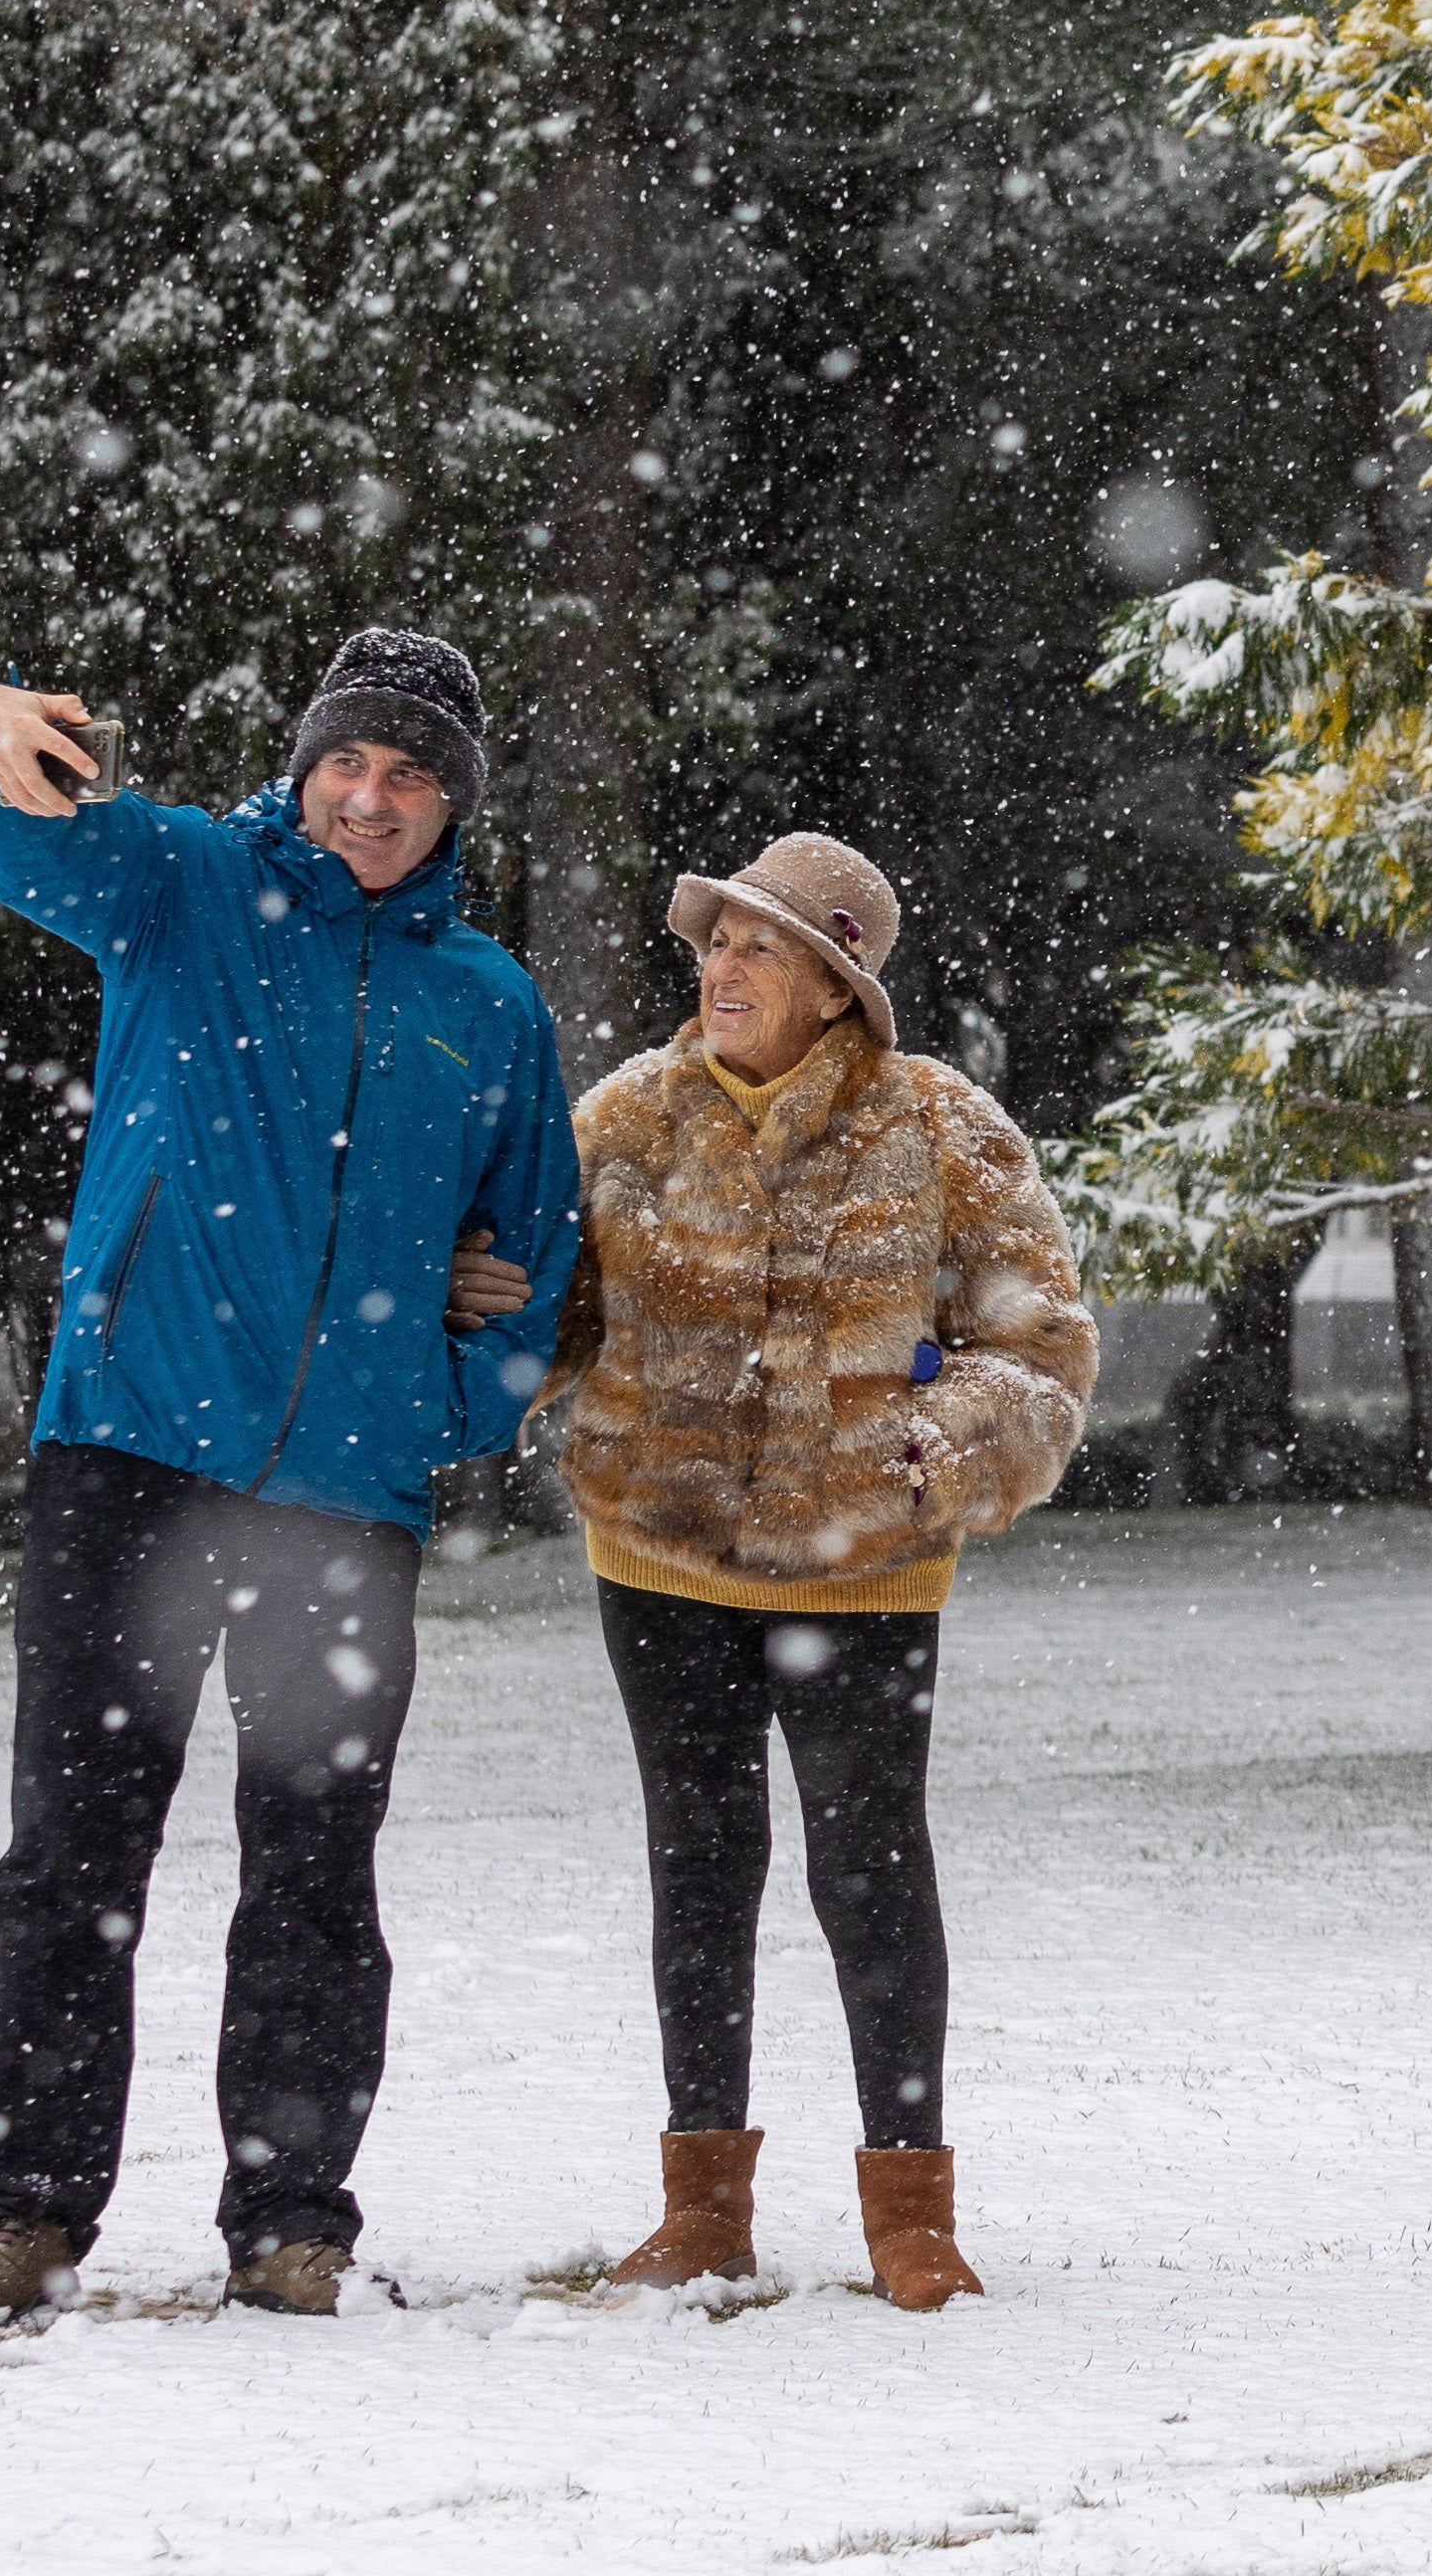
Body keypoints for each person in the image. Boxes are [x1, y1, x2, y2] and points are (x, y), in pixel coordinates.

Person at [0, 632, 579, 2322]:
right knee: (75, 1848)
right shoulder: (190, 884)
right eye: (348, 761)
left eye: (411, 774)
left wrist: (444, 1403)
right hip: (130, 1444)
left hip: (346, 1496)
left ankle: (291, 2219)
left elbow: (534, 1245)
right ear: (304, 769)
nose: (371, 797)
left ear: (452, 808)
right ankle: (24, 2210)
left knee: (314, 1867)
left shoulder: (488, 1004)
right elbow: (36, 839)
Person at [529, 832, 1096, 2311]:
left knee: (873, 1869)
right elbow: (542, 1311)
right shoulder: (624, 1121)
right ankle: (701, 2209)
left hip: (864, 1572)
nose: (723, 967)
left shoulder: (944, 1128)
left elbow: (1040, 1344)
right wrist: (488, 1318)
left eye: (762, 949)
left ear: (837, 987)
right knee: (698, 1863)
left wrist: (935, 1451)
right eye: (717, 940)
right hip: (657, 1557)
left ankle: (911, 2215)